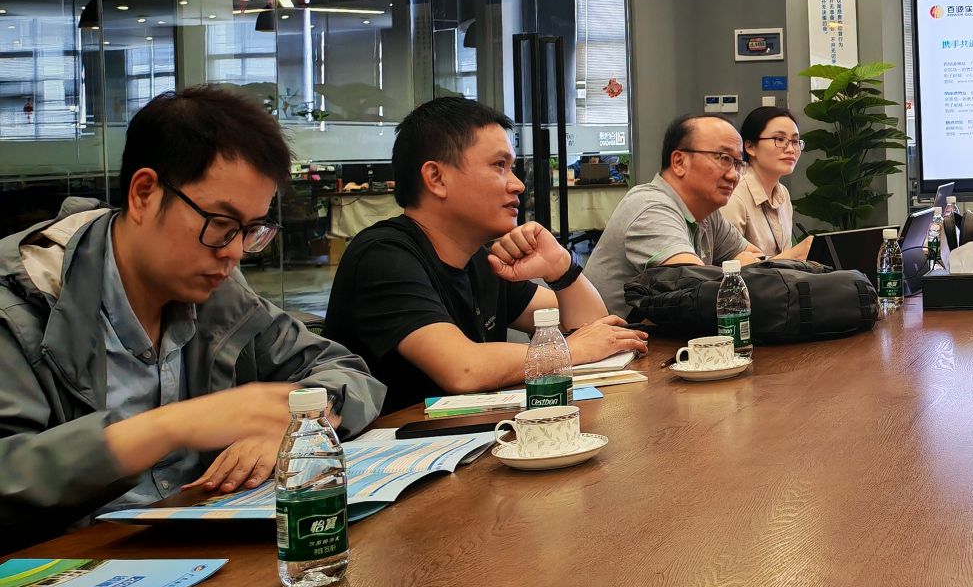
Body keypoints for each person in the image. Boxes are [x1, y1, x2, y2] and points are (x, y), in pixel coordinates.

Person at [0, 86, 384, 548]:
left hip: (208, 555)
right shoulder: (21, 305)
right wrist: (170, 427)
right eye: (220, 224)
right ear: (144, 193)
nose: (234, 252)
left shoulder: (219, 294)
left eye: (251, 230)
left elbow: (345, 373)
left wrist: (294, 430)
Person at [323, 98, 645, 413]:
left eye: (512, 168)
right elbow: (463, 369)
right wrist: (571, 350)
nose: (517, 185)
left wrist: (560, 268)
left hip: (474, 438)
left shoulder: (479, 259)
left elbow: (595, 328)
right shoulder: (383, 256)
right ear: (436, 178)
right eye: (499, 166)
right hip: (401, 446)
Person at [581, 115, 761, 310]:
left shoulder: (708, 213)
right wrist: (737, 270)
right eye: (724, 158)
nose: (734, 175)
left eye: (738, 163)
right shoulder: (650, 207)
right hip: (617, 328)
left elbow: (756, 259)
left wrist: (742, 268)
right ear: (679, 162)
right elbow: (695, 291)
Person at [724, 106, 814, 260]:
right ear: (750, 147)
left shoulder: (782, 193)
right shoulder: (733, 194)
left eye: (795, 141)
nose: (791, 149)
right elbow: (728, 267)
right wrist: (796, 254)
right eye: (780, 139)